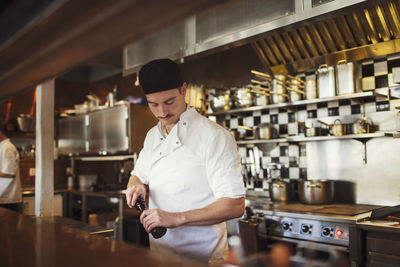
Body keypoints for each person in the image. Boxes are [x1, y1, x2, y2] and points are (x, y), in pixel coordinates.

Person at [125, 58, 245, 264]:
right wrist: (135, 185)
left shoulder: (214, 136)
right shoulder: (153, 135)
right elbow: (137, 175)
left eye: (169, 102)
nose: (162, 112)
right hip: (160, 257)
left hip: (202, 259)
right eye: (153, 104)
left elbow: (234, 205)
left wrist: (176, 218)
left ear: (183, 90)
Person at [0, 124, 22, 212]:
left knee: (8, 225)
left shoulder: (7, 148)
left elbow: (10, 173)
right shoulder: (2, 146)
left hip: (7, 198)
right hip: (3, 196)